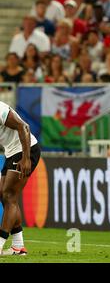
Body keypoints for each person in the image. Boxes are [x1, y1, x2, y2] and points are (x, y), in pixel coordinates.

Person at [0, 101, 41, 256]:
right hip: (10, 152)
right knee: (3, 195)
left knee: (9, 196)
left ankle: (0, 242)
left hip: (26, 150)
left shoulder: (0, 109)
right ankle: (18, 247)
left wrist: (26, 158)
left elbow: (24, 127)